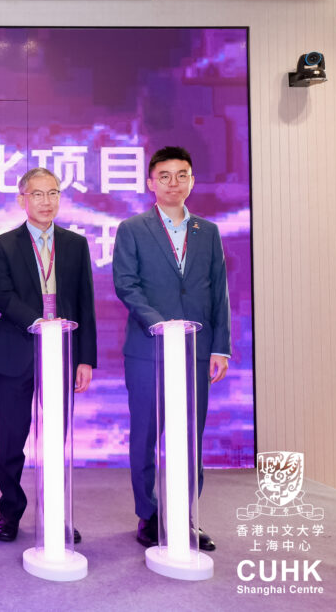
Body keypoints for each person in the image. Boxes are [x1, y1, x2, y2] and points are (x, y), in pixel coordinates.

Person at [112, 146, 230, 552]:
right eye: (165, 176)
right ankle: (148, 514)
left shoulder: (208, 232)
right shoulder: (133, 228)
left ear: (192, 181)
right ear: (151, 182)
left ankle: (184, 516)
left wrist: (221, 347)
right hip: (148, 348)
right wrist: (158, 324)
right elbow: (126, 284)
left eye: (182, 175)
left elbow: (219, 294)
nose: (173, 183)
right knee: (145, 434)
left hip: (196, 351)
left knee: (189, 437)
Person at [0, 167, 97, 543]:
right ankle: (10, 512)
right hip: (17, 351)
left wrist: (85, 359)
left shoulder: (76, 244)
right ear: (22, 200)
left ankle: (56, 513)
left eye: (53, 194)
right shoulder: (2, 244)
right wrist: (38, 322)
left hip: (62, 355)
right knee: (11, 439)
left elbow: (85, 303)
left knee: (56, 440)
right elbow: (1, 296)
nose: (46, 201)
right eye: (37, 194)